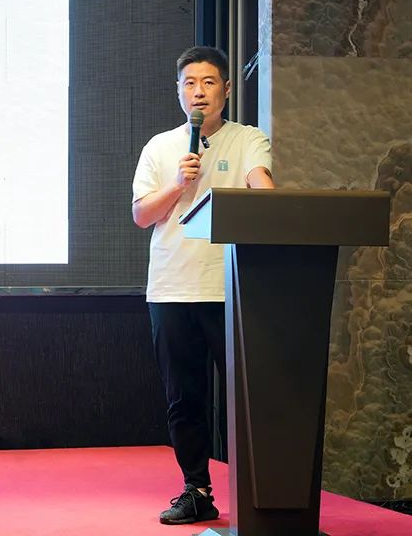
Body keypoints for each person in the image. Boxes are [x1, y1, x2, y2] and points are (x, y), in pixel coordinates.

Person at [131, 45, 274, 525]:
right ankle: (196, 490)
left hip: (231, 289)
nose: (199, 92)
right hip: (172, 288)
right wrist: (178, 183)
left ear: (226, 90)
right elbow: (142, 215)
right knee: (184, 398)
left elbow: (261, 184)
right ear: (178, 91)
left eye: (209, 82)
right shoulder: (159, 147)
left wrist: (270, 201)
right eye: (190, 83)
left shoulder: (248, 138)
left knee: (246, 398)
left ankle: (260, 494)